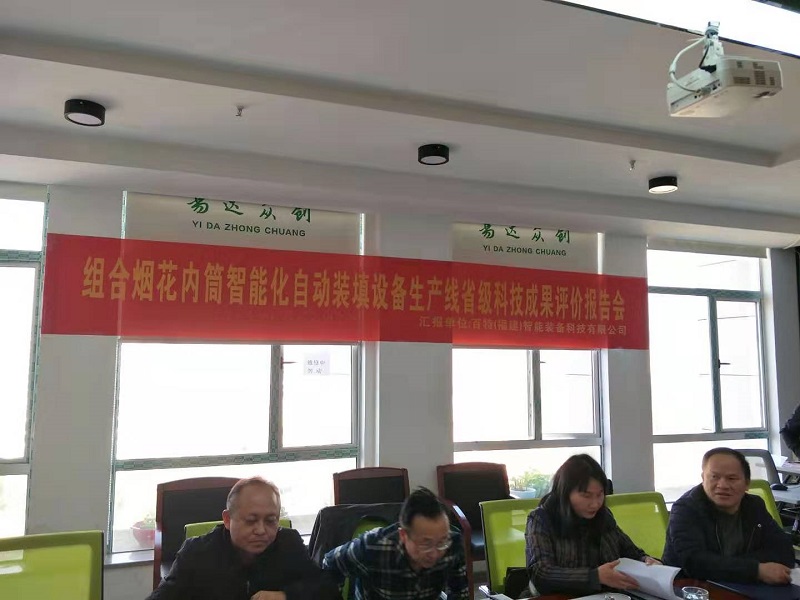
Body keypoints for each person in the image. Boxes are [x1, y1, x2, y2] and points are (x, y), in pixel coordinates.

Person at [146, 477, 339, 600]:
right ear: (227, 519)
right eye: (251, 521)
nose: (261, 530)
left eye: (271, 521)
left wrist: (286, 595)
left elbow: (327, 590)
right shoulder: (196, 552)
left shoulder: (289, 543)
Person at [525, 454, 659, 597]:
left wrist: (645, 561)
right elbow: (541, 573)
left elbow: (630, 552)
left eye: (600, 494)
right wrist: (595, 576)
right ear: (565, 492)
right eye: (586, 496)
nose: (595, 504)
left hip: (607, 596)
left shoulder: (603, 516)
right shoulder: (541, 519)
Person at [662, 447, 794, 585]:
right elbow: (695, 563)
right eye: (714, 477)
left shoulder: (753, 505)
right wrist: (756, 570)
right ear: (703, 478)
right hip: (690, 588)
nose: (722, 485)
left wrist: (729, 565)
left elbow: (785, 551)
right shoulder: (686, 509)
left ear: (747, 483)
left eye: (732, 478)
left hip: (743, 585)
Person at [322, 486, 469, 600]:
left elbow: (460, 593)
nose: (435, 553)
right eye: (426, 544)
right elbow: (331, 562)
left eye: (441, 542)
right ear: (403, 535)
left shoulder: (453, 543)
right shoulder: (374, 547)